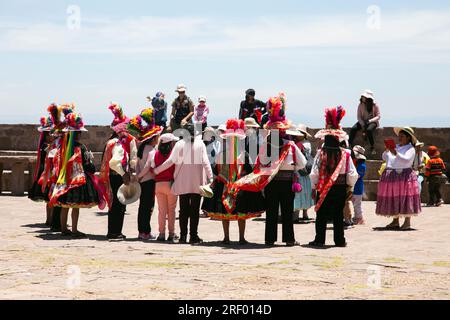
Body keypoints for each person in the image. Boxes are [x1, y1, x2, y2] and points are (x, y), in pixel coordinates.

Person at [227, 93, 306, 246]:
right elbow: (302, 164)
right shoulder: (291, 146)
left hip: (271, 182)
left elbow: (260, 163)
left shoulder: (265, 146)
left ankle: (270, 239)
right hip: (287, 182)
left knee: (271, 212)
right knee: (287, 212)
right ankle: (289, 239)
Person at [202, 119, 265, 245]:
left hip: (225, 185)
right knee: (239, 212)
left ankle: (227, 238)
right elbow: (249, 170)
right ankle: (240, 238)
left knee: (227, 212)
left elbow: (216, 169)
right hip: (238, 185)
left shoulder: (223, 154)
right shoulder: (243, 154)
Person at [153, 123, 213, 244]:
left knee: (183, 210)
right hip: (197, 182)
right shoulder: (200, 143)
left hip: (182, 181)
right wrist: (211, 178)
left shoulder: (179, 144)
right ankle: (193, 236)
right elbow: (206, 162)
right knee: (194, 210)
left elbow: (170, 161)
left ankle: (183, 236)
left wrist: (157, 170)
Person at [49, 111, 106, 238]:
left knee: (65, 205)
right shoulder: (81, 148)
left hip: (64, 180)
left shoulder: (61, 148)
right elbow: (87, 166)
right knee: (75, 206)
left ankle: (64, 229)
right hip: (77, 181)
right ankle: (74, 229)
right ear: (78, 134)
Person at [309, 106, 358, 247]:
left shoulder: (320, 153)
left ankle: (319, 239)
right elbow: (352, 174)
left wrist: (314, 187)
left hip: (324, 187)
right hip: (340, 188)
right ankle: (339, 240)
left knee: (321, 214)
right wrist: (350, 187)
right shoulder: (345, 154)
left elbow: (315, 172)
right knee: (338, 215)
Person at [100, 103, 138, 240]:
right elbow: (121, 161)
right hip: (119, 176)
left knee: (113, 204)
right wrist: (126, 174)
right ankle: (115, 232)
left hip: (111, 176)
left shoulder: (110, 141)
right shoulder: (120, 143)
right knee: (119, 205)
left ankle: (113, 231)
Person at [376, 127, 421, 230]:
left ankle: (407, 222)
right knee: (394, 197)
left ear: (408, 138)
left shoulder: (410, 149)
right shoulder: (396, 147)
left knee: (406, 197)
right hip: (392, 175)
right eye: (399, 136)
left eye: (402, 136)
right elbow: (385, 157)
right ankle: (395, 220)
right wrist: (387, 150)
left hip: (404, 175)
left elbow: (406, 160)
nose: (399, 138)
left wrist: (395, 152)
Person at [129, 109, 163, 240]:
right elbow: (149, 165)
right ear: (154, 138)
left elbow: (138, 164)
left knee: (142, 206)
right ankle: (146, 232)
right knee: (148, 206)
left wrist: (138, 175)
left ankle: (141, 231)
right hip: (148, 181)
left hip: (142, 181)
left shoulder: (142, 148)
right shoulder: (151, 150)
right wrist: (141, 176)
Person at [147, 133, 179, 242]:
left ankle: (161, 233)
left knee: (161, 211)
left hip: (158, 185)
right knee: (171, 210)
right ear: (170, 143)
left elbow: (151, 169)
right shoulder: (173, 155)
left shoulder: (155, 154)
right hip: (170, 184)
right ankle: (171, 233)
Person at [29, 114, 54, 225]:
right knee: (49, 197)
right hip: (47, 171)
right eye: (50, 133)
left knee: (50, 197)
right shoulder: (46, 146)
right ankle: (49, 219)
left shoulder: (47, 145)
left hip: (49, 170)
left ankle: (51, 218)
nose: (52, 135)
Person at [287, 124, 315, 222]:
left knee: (301, 192)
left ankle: (301, 214)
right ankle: (303, 214)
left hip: (301, 171)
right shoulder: (304, 143)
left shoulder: (302, 144)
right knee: (303, 192)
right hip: (304, 172)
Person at [348, 90, 381, 155]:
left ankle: (372, 146)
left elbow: (378, 116)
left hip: (372, 122)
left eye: (364, 97)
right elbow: (359, 116)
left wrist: (370, 121)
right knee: (353, 129)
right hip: (363, 121)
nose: (362, 98)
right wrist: (363, 124)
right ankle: (349, 144)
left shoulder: (375, 105)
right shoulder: (360, 105)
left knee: (369, 130)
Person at [351, 145, 367, 225]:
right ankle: (356, 216)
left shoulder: (362, 166)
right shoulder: (356, 164)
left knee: (357, 204)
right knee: (354, 203)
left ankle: (359, 218)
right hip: (355, 186)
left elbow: (358, 175)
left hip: (358, 187)